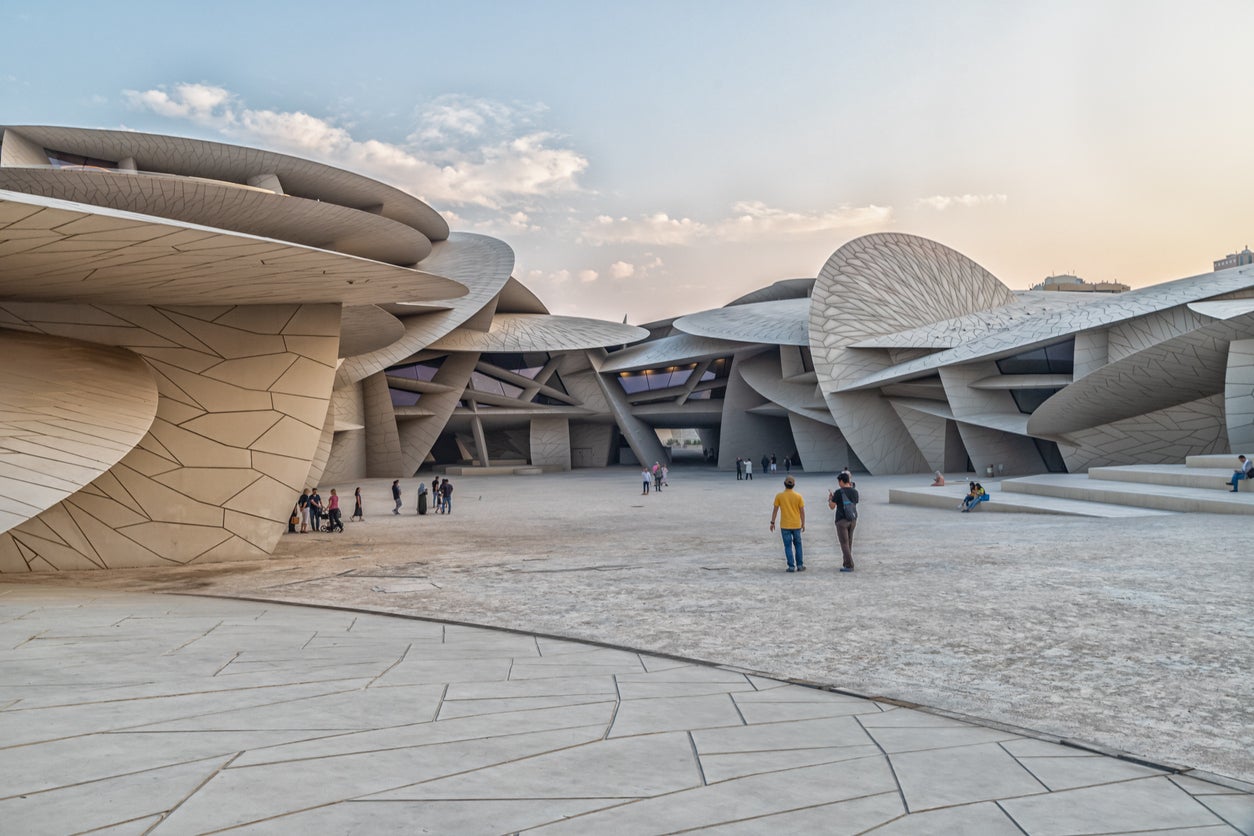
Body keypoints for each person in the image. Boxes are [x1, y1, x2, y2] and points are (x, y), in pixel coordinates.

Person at [770, 476, 806, 572]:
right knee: (798, 544)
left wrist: (772, 522)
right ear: (794, 485)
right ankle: (800, 565)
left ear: (784, 484)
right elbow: (802, 511)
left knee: (788, 545)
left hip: (785, 525)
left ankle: (791, 566)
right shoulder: (798, 496)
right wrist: (803, 523)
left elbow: (775, 510)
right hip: (796, 524)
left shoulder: (779, 496)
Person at [828, 472, 858, 572]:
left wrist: (830, 499)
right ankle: (846, 563)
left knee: (844, 543)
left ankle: (849, 565)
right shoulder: (855, 492)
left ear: (841, 481)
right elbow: (855, 503)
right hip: (852, 519)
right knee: (849, 542)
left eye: (839, 481)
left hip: (841, 521)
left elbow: (832, 507)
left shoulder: (838, 492)